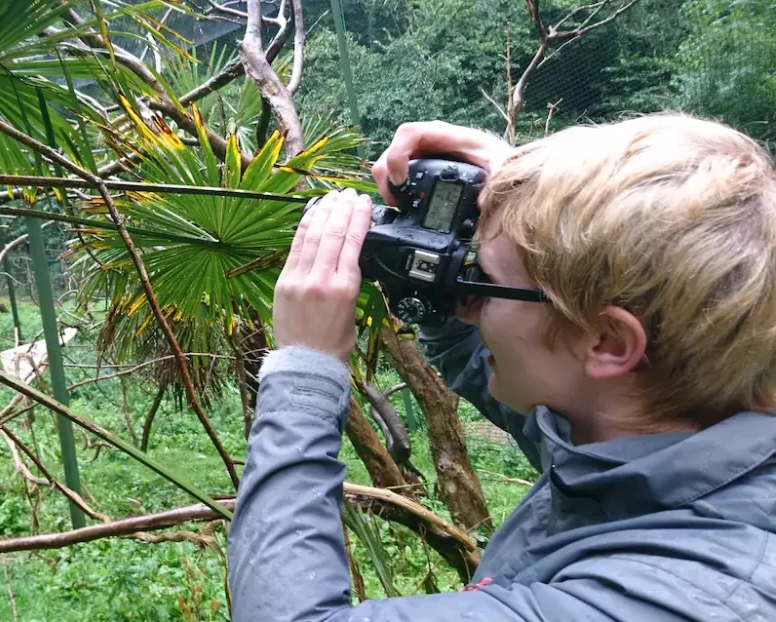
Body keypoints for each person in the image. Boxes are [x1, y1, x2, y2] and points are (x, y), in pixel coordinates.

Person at [226, 113, 776, 620]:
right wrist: (524, 200)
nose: (467, 305)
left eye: (483, 282)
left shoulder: (679, 596)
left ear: (608, 341)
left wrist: (305, 369)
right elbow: (482, 352)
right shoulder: (657, 422)